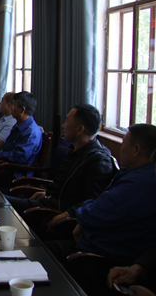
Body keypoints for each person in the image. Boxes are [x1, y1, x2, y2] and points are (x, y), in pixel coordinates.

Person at [47, 124, 156, 296]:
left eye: (123, 143)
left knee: (40, 254)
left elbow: (97, 213)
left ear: (136, 149)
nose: (121, 148)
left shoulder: (140, 183)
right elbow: (99, 203)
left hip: (101, 258)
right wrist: (84, 217)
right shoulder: (133, 174)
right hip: (91, 242)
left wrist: (82, 218)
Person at [5, 104, 115, 220]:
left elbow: (94, 202)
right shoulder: (75, 149)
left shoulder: (99, 160)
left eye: (67, 121)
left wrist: (69, 214)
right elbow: (65, 186)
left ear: (80, 129)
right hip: (49, 201)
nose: (63, 125)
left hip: (54, 213)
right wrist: (48, 193)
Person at [0, 91, 43, 177]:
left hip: (14, 173)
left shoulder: (30, 132)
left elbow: (19, 157)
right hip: (3, 165)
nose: (11, 108)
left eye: (13, 105)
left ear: (22, 110)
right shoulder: (19, 125)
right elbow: (7, 147)